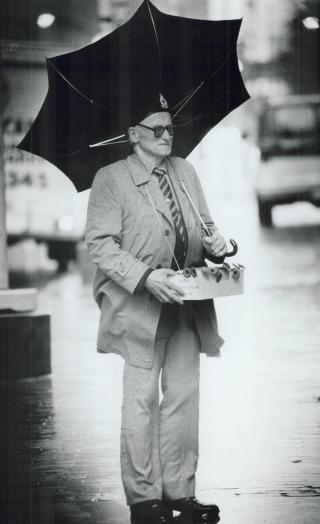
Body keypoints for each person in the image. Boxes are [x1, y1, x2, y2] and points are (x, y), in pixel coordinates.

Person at [85, 94, 227, 524]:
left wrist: (221, 246)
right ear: (133, 136)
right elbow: (99, 244)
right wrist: (146, 277)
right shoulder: (112, 179)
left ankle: (181, 494)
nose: (167, 136)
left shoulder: (185, 171)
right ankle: (145, 500)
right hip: (139, 306)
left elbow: (206, 226)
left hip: (188, 302)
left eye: (170, 129)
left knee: (184, 397)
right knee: (141, 400)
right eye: (157, 130)